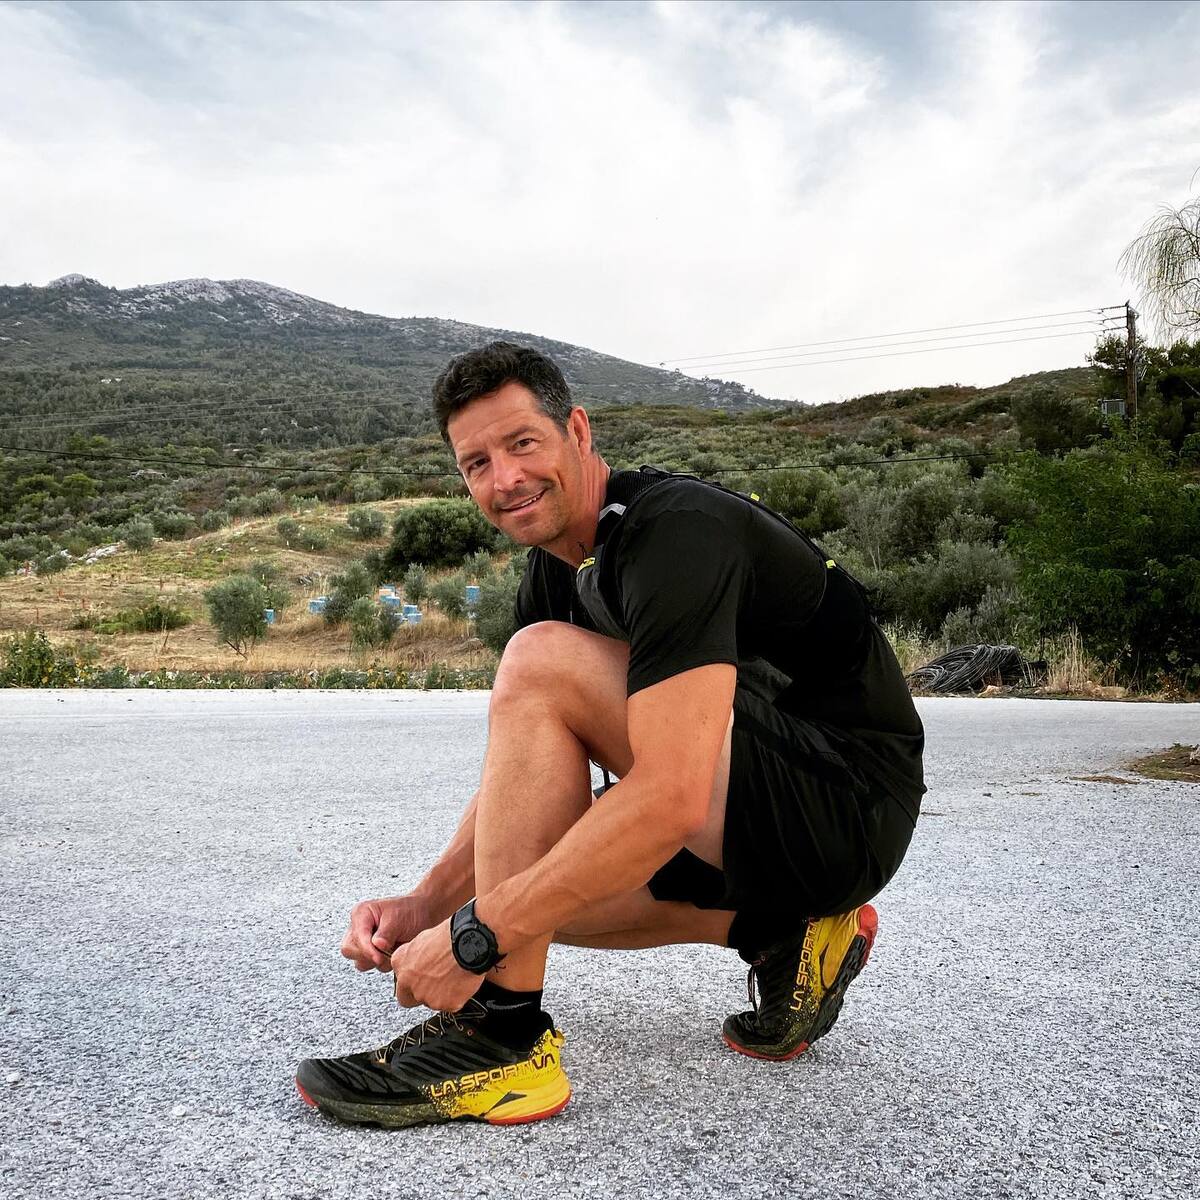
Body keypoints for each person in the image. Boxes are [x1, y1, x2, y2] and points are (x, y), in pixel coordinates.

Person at [295, 341, 924, 1128]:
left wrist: (474, 940)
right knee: (526, 883)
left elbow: (670, 796)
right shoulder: (556, 568)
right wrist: (430, 904)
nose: (504, 478)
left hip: (848, 805)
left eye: (522, 443)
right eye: (477, 463)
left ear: (579, 432)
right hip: (764, 815)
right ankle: (786, 934)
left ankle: (500, 1042)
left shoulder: (673, 533)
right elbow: (521, 787)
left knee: (515, 887)